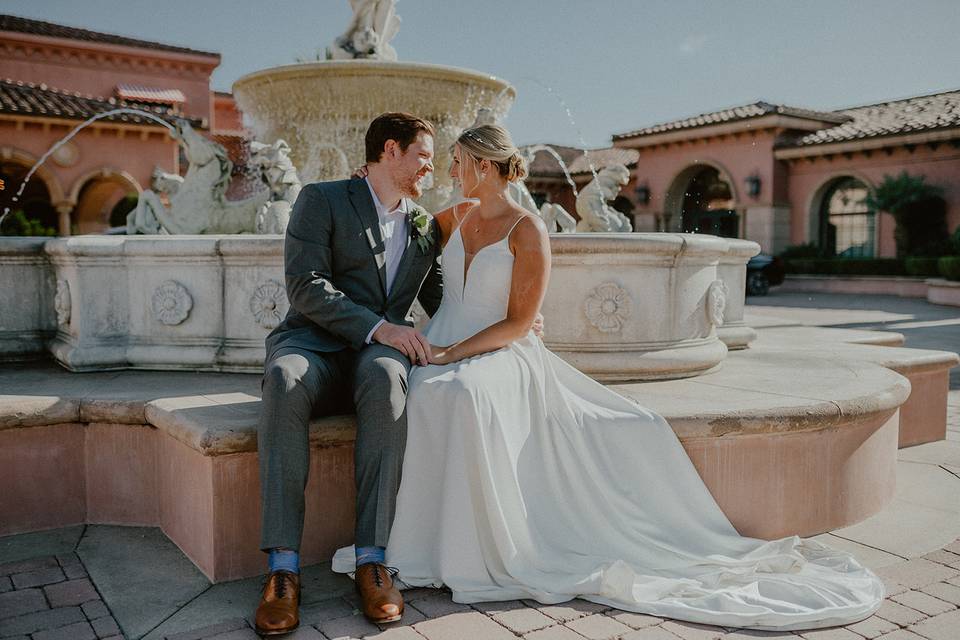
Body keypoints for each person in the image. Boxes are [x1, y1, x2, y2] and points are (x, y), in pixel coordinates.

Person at [333, 123, 885, 631]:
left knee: (464, 393)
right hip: (445, 341)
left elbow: (522, 320)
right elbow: (399, 262)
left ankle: (476, 552)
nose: (450, 172)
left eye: (456, 161)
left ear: (483, 163)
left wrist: (454, 353)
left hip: (502, 349)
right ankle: (412, 547)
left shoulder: (528, 231)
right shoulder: (448, 219)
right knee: (423, 393)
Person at [253, 112, 444, 635]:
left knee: (387, 380)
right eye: (423, 155)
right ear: (390, 150)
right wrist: (380, 328)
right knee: (284, 380)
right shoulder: (322, 198)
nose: (432, 166)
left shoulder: (426, 226)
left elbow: (446, 299)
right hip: (311, 344)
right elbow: (305, 285)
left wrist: (516, 319)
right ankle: (282, 572)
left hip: (371, 363)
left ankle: (372, 561)